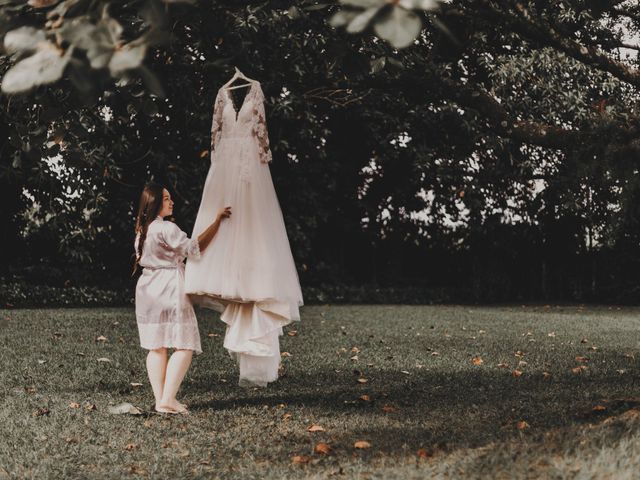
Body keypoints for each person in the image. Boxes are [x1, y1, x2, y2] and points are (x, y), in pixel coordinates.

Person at [132, 183, 231, 413]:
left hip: (147, 288)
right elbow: (194, 248)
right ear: (155, 202)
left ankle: (161, 400)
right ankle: (168, 398)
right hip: (169, 286)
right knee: (184, 344)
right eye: (166, 198)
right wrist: (216, 222)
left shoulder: (141, 231)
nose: (171, 201)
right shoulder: (166, 228)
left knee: (156, 346)